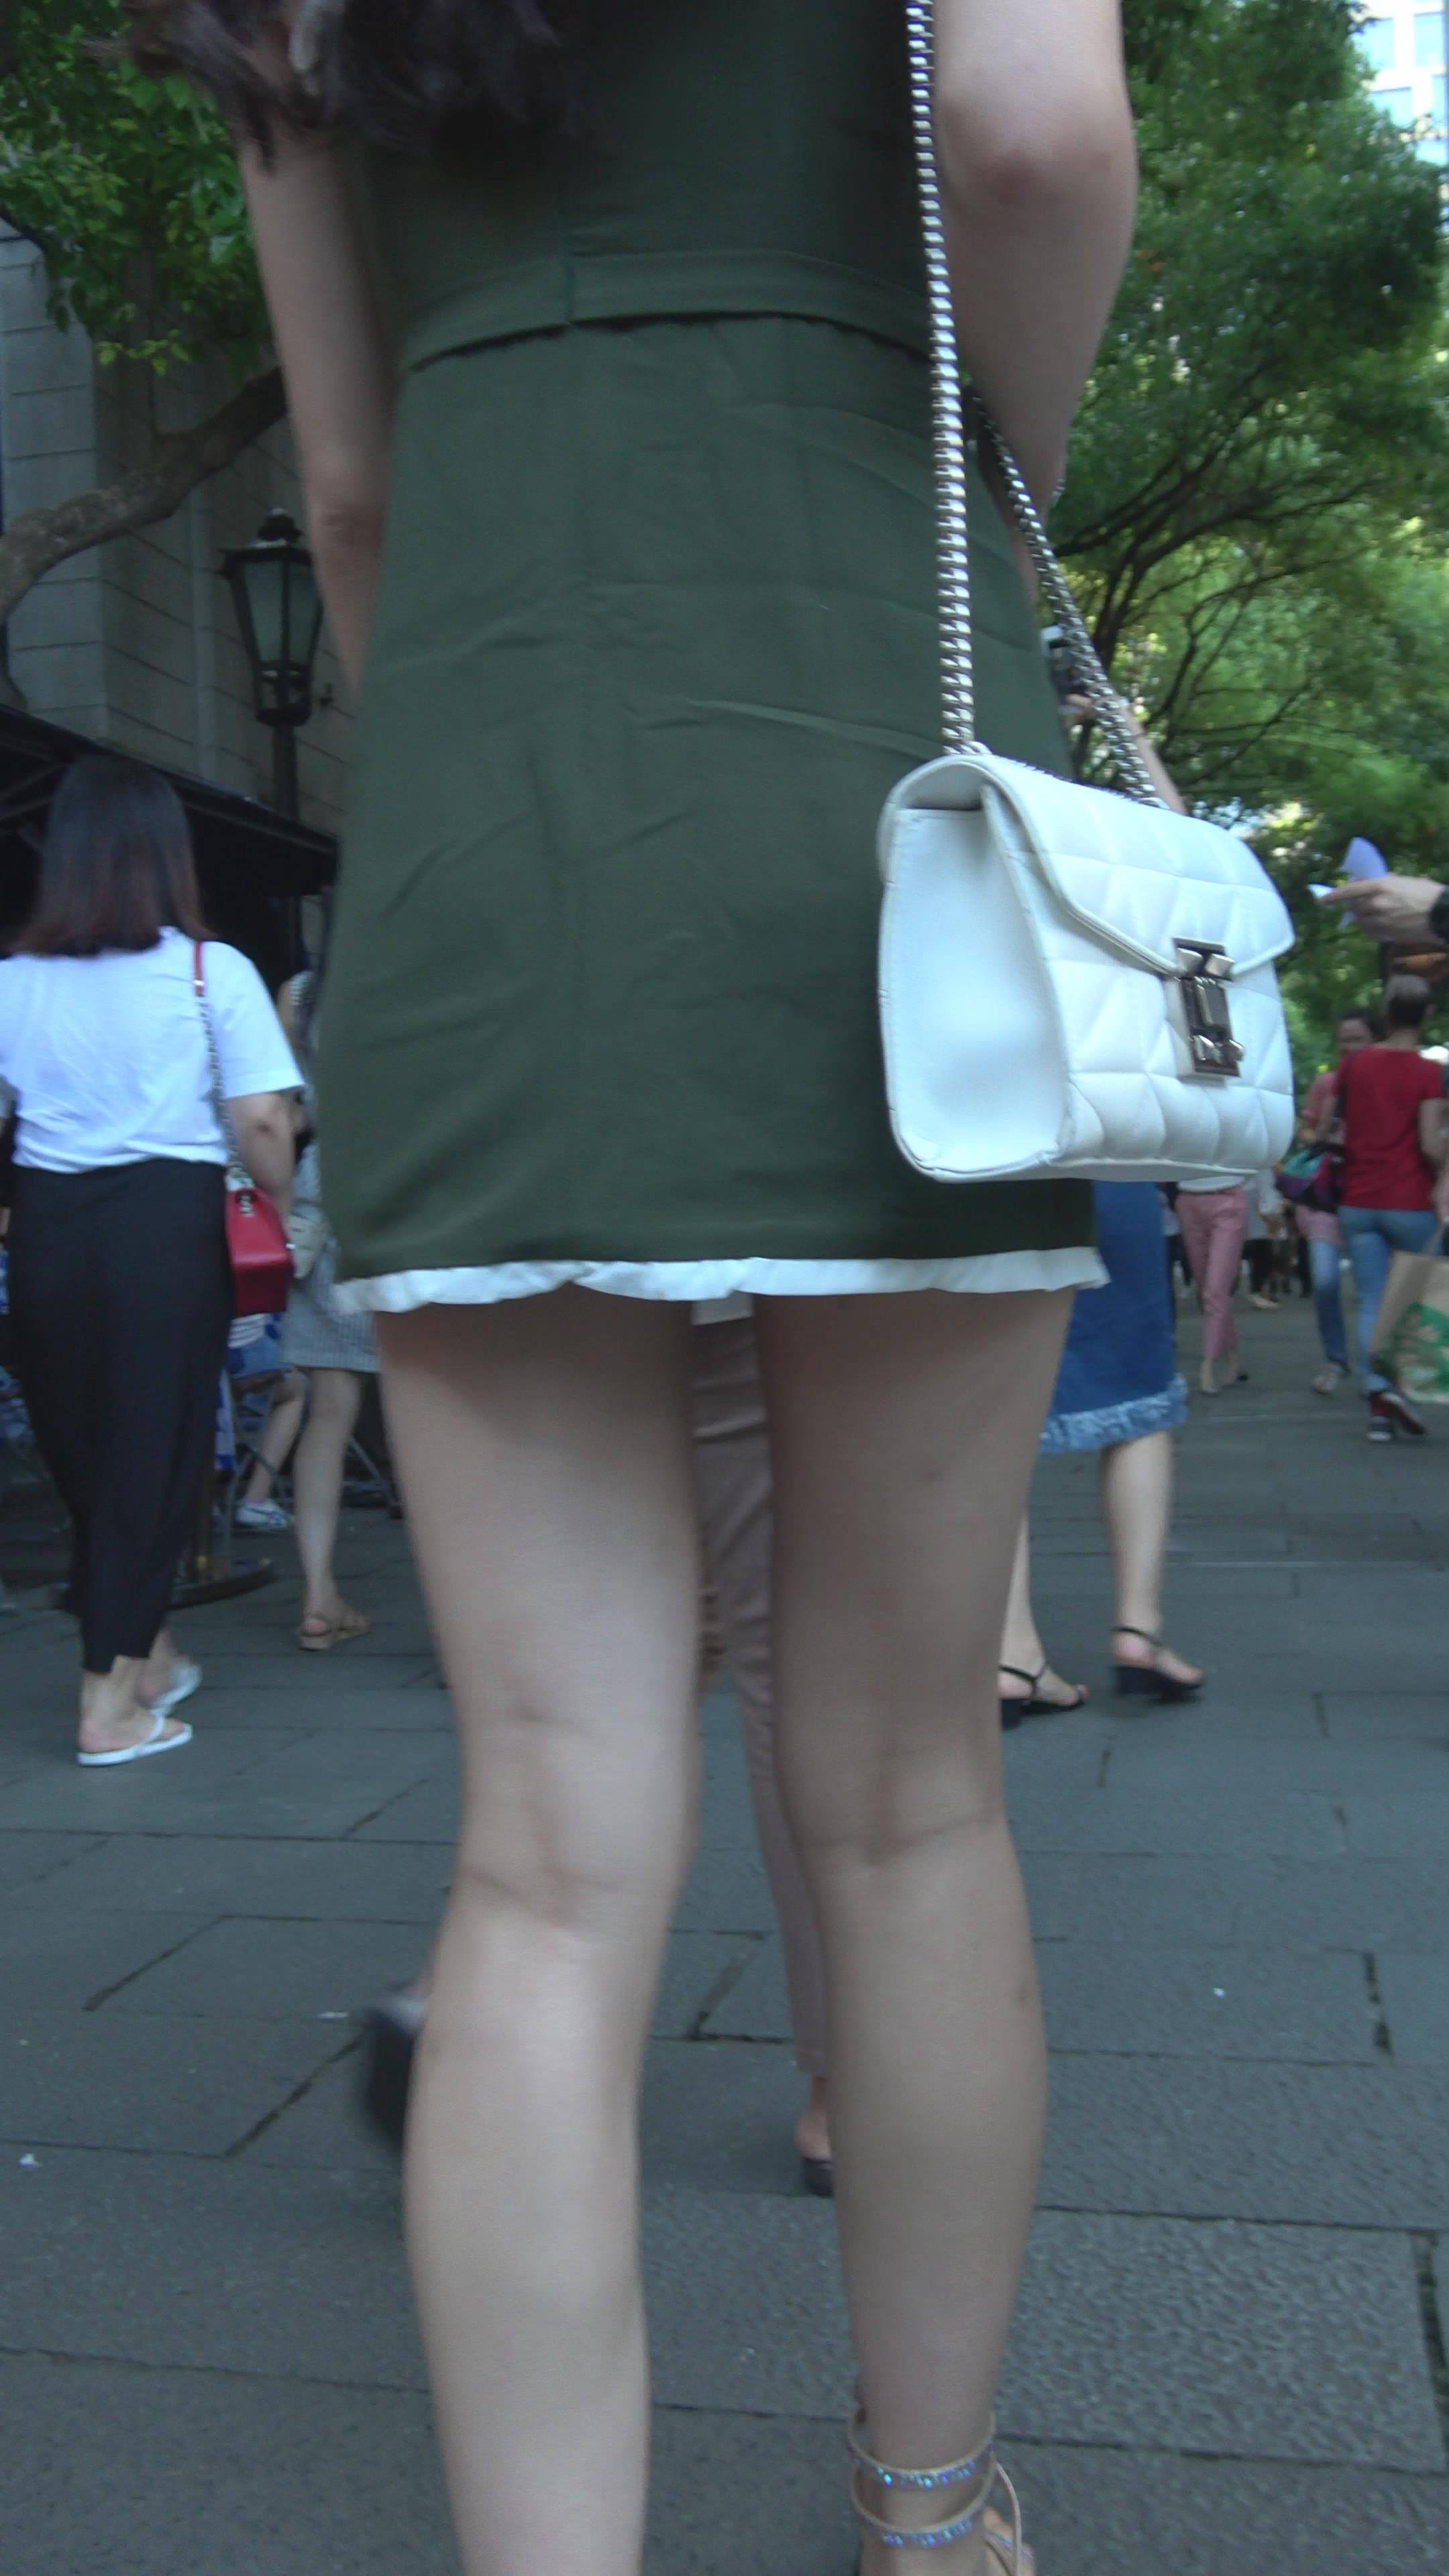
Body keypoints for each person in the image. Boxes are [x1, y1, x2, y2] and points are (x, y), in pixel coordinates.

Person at [146, 1, 1138, 2565]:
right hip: (875, 779)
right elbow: (1032, 131)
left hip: (493, 840)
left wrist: (504, 791)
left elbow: (348, 492)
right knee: (904, 1797)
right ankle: (932, 2510)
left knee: (550, 1854)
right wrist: (973, 463)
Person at [0, 757, 297, 1762]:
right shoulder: (212, 972)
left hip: (47, 1229)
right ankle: (109, 1705)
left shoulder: (12, 981)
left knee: (85, 1454)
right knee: (157, 1454)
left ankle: (151, 1654)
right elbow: (263, 1119)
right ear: (167, 856)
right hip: (164, 1228)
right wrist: (279, 1206)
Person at [1000, 1184, 1201, 1718]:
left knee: (993, 1418)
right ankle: (1139, 1631)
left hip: (986, 1179)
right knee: (1139, 1400)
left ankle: (1013, 1653)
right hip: (1106, 1173)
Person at [274, 971, 378, 1650]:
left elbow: (282, 1111)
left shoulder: (302, 992)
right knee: (434, 1412)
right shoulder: (428, 969)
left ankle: (318, 1594)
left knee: (328, 1410)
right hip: (411, 1203)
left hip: (321, 1205)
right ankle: (462, 1625)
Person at [1320, 975, 1449, 1440]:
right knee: (1417, 1298)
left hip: (1358, 1200)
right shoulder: (1427, 1073)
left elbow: (1330, 1125)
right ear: (1427, 1014)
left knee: (1373, 1298)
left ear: (1385, 1012)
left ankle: (1379, 1398)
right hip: (1410, 1201)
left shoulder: (1354, 1065)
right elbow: (1430, 1144)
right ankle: (1408, 1387)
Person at [1291, 1011, 1376, 1397]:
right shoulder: (1327, 1083)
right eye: (1345, 1039)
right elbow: (1306, 1132)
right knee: (1324, 1281)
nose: (1349, 1047)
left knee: (1372, 1288)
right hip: (1328, 1196)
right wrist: (1324, 1134)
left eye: (1358, 1039)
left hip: (1371, 1193)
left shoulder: (1382, 1081)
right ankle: (1335, 1359)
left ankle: (1378, 1369)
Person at [1175, 1174, 1250, 1395]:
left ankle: (1207, 1365)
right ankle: (1233, 1359)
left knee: (1215, 1290)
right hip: (1188, 1199)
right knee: (1208, 1290)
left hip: (1228, 1196)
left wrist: (1268, 1202)